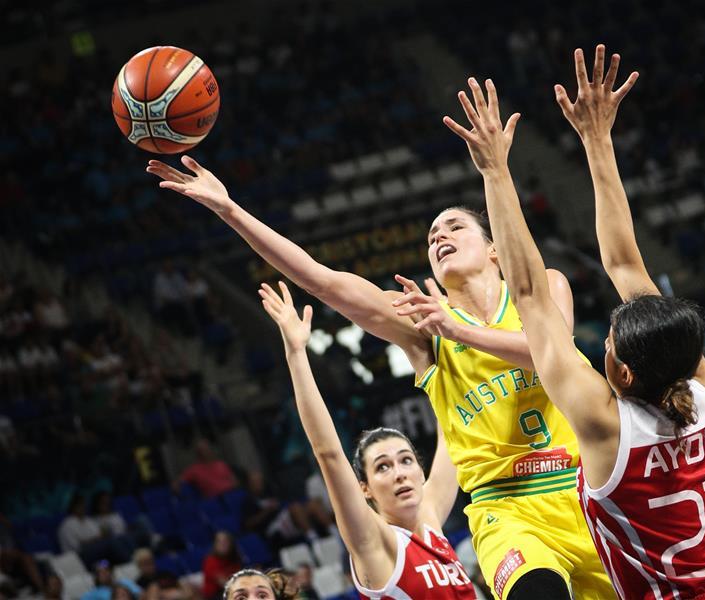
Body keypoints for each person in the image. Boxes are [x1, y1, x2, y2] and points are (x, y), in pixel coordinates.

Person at [148, 122, 613, 600]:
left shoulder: (544, 289)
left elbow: (549, 353)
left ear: (494, 251)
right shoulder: (423, 326)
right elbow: (322, 281)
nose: (439, 237)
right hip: (506, 511)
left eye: (454, 226)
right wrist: (230, 211)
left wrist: (459, 330)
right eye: (432, 236)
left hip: (584, 492)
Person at [442, 46, 705, 599]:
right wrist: (599, 139)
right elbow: (625, 265)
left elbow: (528, 293)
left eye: (611, 344)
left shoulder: (604, 427)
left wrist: (495, 171)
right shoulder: (702, 394)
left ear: (619, 374)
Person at [258, 281, 474, 598]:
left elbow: (450, 422)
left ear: (419, 469)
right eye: (383, 467)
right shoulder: (373, 541)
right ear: (365, 488)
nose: (399, 472)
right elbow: (328, 452)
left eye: (405, 460)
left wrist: (444, 336)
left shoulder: (429, 516)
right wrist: (296, 352)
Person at [202, 531, 242, 600]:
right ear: (214, 544)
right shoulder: (210, 561)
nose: (223, 544)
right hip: (215, 596)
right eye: (219, 541)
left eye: (225, 541)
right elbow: (225, 583)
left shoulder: (234, 559)